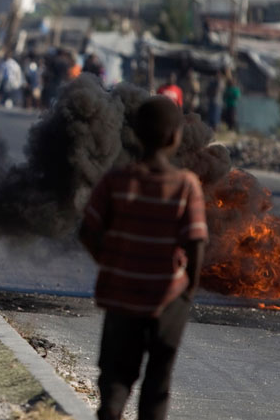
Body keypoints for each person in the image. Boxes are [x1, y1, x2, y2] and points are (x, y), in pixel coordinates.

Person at [79, 96, 208, 420]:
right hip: (168, 300)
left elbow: (87, 231)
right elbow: (196, 242)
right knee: (157, 382)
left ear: (135, 134)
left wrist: (110, 262)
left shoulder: (116, 181)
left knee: (117, 376)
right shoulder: (185, 185)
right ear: (174, 137)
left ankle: (110, 410)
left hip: (121, 295)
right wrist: (189, 288)